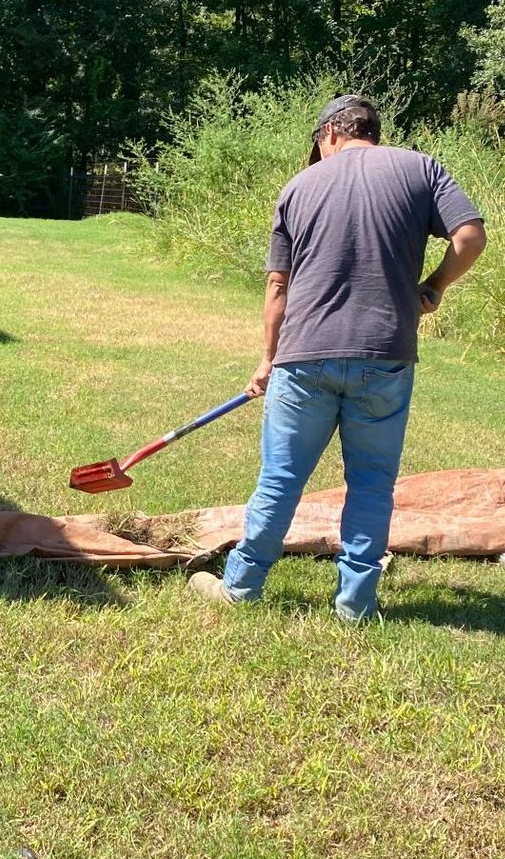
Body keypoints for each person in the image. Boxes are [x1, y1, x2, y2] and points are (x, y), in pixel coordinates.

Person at [190, 94, 486, 620]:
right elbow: (469, 236)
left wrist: (267, 359)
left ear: (329, 133)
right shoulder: (421, 168)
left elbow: (278, 286)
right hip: (385, 355)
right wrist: (434, 287)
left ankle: (240, 587)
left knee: (280, 478)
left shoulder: (297, 188)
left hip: (304, 358)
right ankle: (355, 604)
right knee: (372, 483)